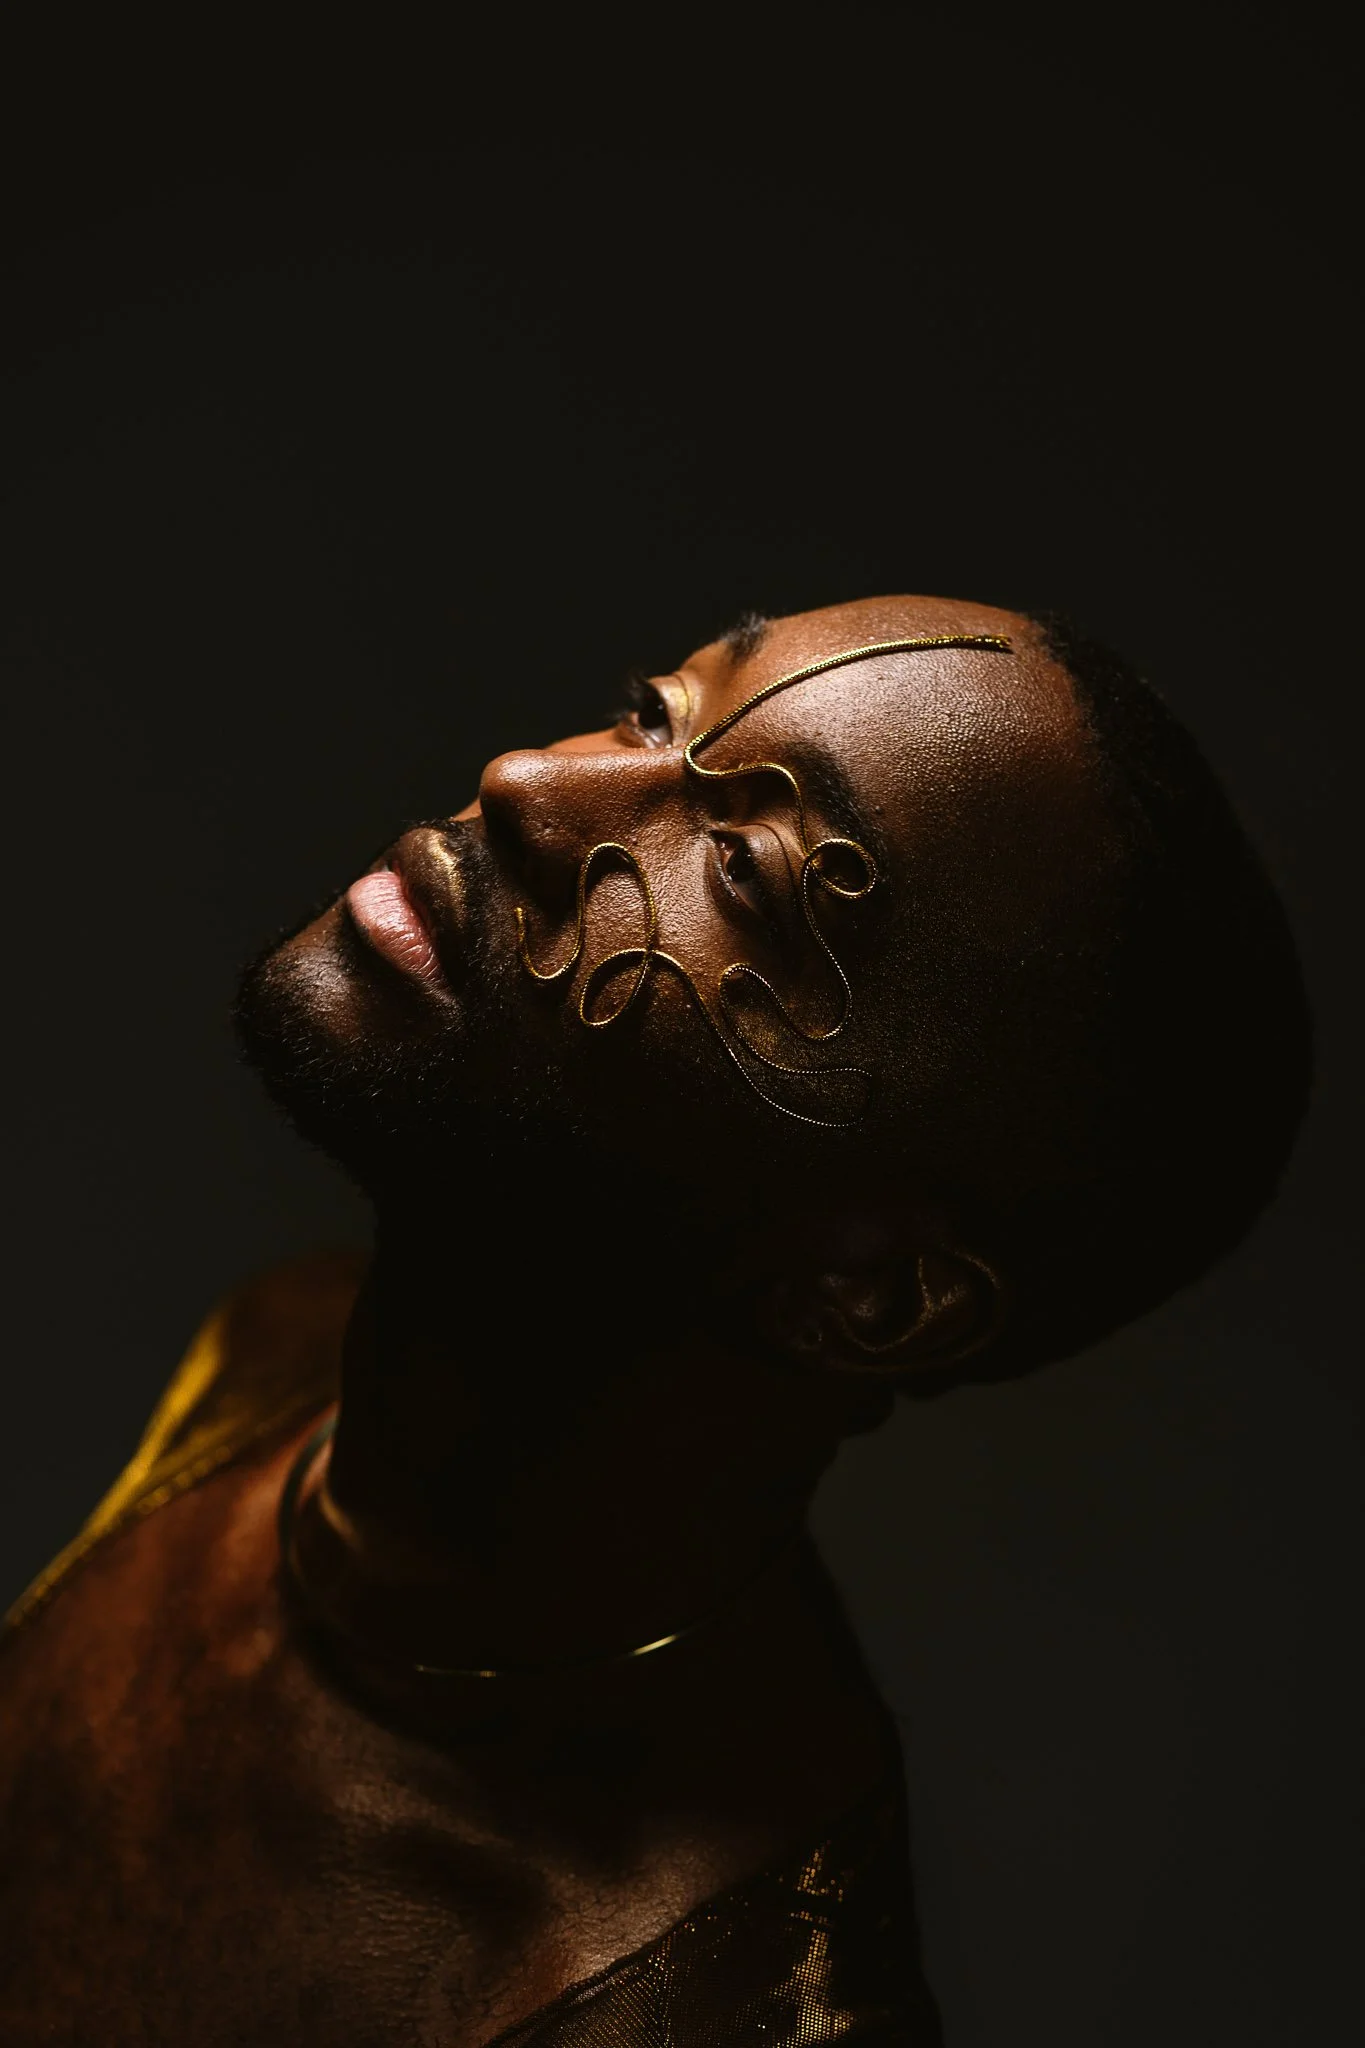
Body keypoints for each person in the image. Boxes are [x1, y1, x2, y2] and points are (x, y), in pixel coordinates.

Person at [0, 594, 1310, 2044]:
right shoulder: (279, 1363)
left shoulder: (690, 2005)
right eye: (653, 710)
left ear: (869, 1293)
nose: (523, 783)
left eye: (746, 863)